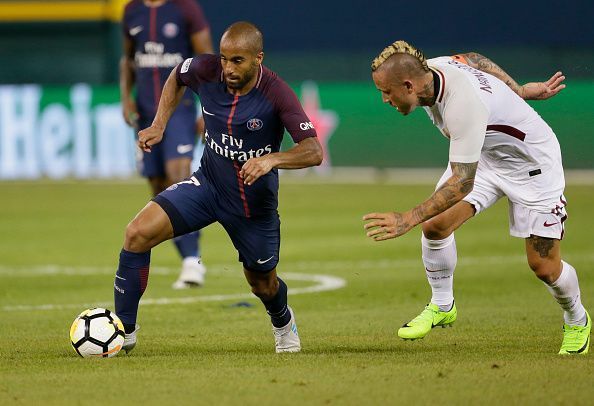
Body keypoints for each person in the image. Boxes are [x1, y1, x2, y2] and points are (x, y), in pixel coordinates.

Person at [363, 40, 590, 354]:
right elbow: (473, 58)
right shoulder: (434, 69)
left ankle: (577, 318)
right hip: (485, 157)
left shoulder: (462, 104)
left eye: (386, 92)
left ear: (409, 85)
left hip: (533, 168)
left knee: (544, 266)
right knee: (436, 226)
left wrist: (409, 218)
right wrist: (518, 90)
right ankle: (443, 305)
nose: (385, 99)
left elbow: (462, 182)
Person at [113, 21, 323, 354]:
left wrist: (271, 160)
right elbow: (177, 77)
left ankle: (283, 321)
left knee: (262, 285)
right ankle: (123, 332)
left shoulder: (276, 92)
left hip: (253, 203)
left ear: (258, 58)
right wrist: (159, 124)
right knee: (137, 234)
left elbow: (314, 151)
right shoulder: (205, 69)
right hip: (207, 185)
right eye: (224, 58)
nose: (227, 67)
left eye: (237, 60)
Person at [120, 0, 213, 289]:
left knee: (178, 176)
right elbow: (128, 60)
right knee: (159, 187)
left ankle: (193, 261)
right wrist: (126, 97)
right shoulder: (131, 10)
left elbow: (209, 61)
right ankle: (188, 256)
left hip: (181, 109)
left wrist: (208, 111)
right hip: (147, 113)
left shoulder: (186, 8)